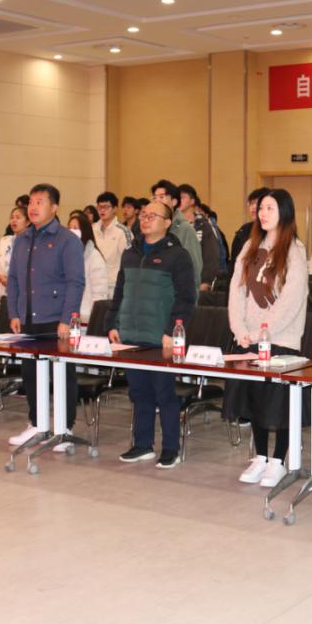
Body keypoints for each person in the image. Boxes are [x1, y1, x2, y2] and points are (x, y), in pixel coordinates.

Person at [228, 189, 309, 487]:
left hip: (281, 339)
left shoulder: (294, 251)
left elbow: (290, 302)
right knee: (255, 401)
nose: (263, 213)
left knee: (280, 403)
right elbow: (236, 291)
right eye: (261, 208)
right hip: (249, 340)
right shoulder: (250, 247)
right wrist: (240, 330)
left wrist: (261, 333)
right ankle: (260, 456)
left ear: (284, 212)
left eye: (270, 208)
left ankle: (278, 460)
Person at [110, 200, 197, 469]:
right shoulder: (130, 253)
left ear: (167, 222)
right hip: (131, 335)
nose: (145, 220)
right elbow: (119, 292)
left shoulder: (177, 255)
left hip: (161, 337)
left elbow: (186, 297)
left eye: (152, 216)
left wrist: (172, 331)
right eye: (143, 215)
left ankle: (171, 448)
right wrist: (113, 324)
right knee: (139, 393)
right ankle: (142, 444)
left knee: (164, 394)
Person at [6, 184, 86, 448]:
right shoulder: (22, 239)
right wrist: (14, 312)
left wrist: (68, 318)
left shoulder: (67, 240)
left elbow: (76, 282)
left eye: (40, 202)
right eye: (31, 202)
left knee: (62, 374)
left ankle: (65, 428)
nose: (33, 207)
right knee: (30, 373)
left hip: (56, 319)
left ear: (54, 207)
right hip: (28, 318)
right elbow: (14, 279)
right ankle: (37, 423)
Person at [151, 179, 204, 290]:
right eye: (154, 198)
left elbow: (194, 268)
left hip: (177, 293)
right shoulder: (151, 229)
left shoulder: (185, 229)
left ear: (174, 202)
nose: (157, 201)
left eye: (162, 197)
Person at [68, 211, 111, 321]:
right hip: (68, 317)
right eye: (69, 228)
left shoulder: (94, 257)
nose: (71, 231)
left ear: (84, 231)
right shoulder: (67, 255)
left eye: (75, 228)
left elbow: (100, 294)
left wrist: (93, 318)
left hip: (86, 319)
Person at [177, 183, 221, 289]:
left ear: (192, 201)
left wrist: (206, 281)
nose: (179, 201)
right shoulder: (172, 224)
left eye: (182, 197)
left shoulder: (203, 225)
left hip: (197, 282)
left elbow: (212, 255)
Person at [93, 191, 131, 287]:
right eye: (99, 207)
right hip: (94, 283)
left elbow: (129, 262)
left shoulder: (122, 232)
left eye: (106, 207)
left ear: (115, 209)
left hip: (113, 285)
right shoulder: (92, 229)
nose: (102, 210)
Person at [0, 206, 28, 306]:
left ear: (28, 222)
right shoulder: (4, 241)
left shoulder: (33, 244)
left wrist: (12, 281)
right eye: (12, 217)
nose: (14, 220)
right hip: (3, 293)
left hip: (23, 294)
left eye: (18, 217)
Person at [231, 187, 269, 266]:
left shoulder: (273, 231)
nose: (253, 207)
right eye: (251, 203)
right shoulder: (243, 230)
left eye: (258, 203)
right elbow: (234, 263)